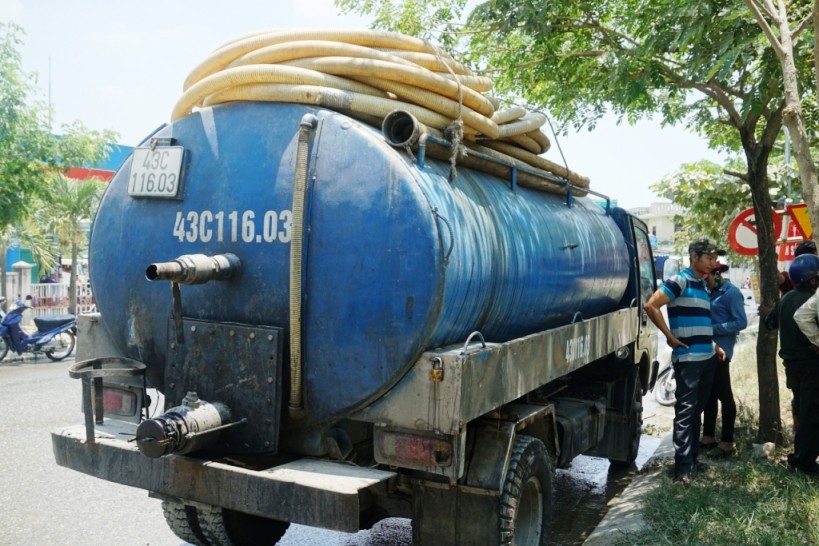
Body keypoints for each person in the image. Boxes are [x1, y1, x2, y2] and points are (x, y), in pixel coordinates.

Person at [644, 238, 726, 485]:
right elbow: (652, 305)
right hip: (689, 360)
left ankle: (692, 460)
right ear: (694, 257)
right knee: (686, 412)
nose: (714, 262)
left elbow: (700, 321)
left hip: (707, 357)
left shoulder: (701, 285)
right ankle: (682, 470)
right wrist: (669, 338)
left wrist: (713, 345)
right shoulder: (680, 280)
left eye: (714, 258)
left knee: (696, 412)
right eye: (709, 258)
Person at [764, 253, 819, 474]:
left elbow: (770, 322)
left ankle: (801, 458)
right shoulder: (812, 301)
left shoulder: (786, 298)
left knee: (802, 410)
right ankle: (802, 463)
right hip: (812, 365)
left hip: (791, 366)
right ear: (813, 280)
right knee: (812, 415)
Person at [700, 261, 747, 458]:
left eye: (708, 279)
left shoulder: (732, 293)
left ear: (717, 275)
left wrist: (713, 329)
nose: (706, 283)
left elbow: (741, 322)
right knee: (709, 395)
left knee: (724, 396)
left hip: (722, 352)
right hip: (707, 349)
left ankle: (727, 442)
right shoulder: (709, 291)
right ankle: (708, 436)